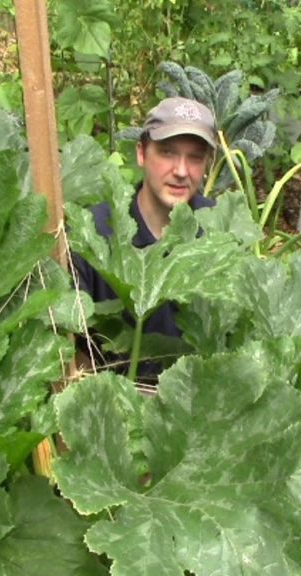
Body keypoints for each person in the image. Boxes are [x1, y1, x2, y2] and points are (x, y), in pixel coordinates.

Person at [70, 97, 218, 384]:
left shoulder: (217, 228)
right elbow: (76, 355)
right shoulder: (96, 231)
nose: (181, 171)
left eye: (195, 157)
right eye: (167, 153)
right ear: (141, 153)